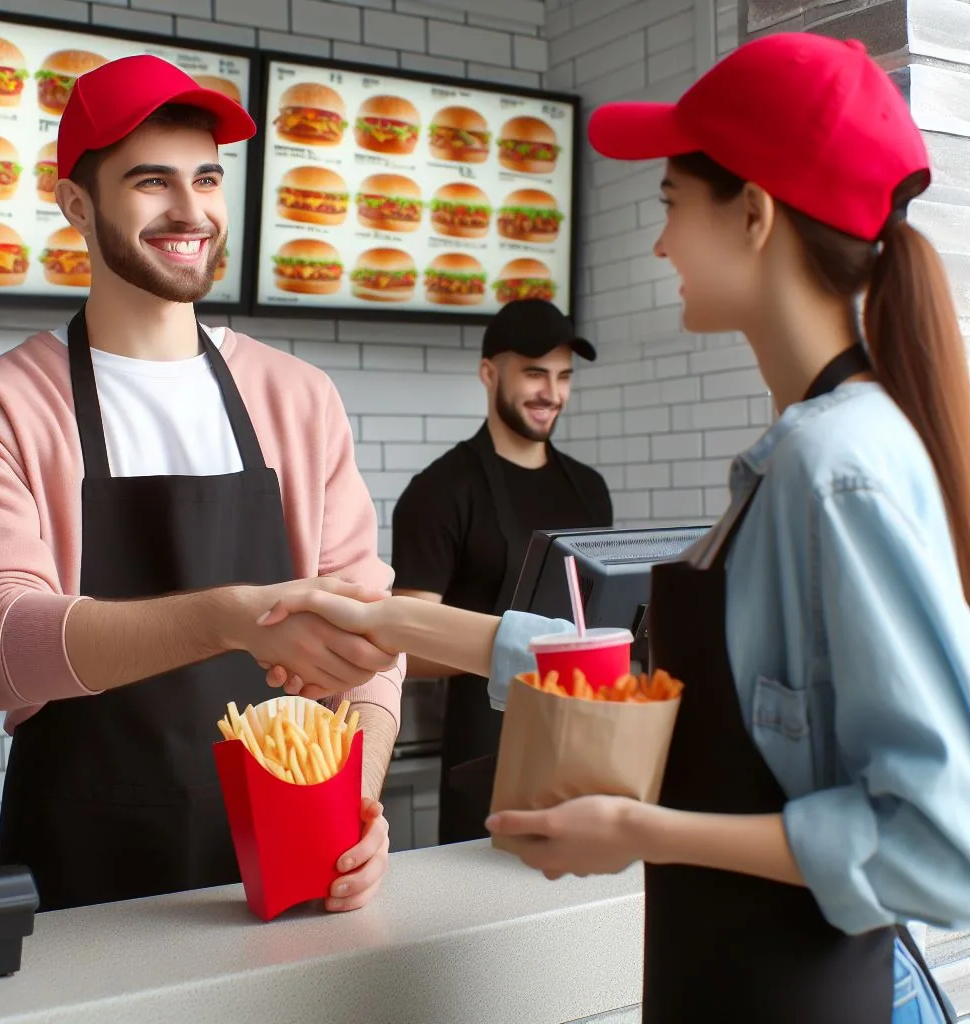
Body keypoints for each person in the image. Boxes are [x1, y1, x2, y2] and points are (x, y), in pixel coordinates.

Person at [257, 33, 970, 1023]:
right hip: (731, 981)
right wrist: (378, 619)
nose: (660, 244)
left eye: (674, 206)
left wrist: (645, 828)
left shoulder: (836, 464)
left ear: (753, 215)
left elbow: (938, 840)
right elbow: (634, 676)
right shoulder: (800, 453)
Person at [0, 55, 403, 914]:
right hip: (87, 886)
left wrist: (355, 798)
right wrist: (225, 617)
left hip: (298, 869)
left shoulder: (297, 398)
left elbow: (370, 641)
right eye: (151, 182)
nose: (191, 212)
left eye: (206, 179)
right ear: (77, 205)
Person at [390, 299, 612, 844]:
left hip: (580, 743)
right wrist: (519, 642)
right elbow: (406, 643)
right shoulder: (440, 491)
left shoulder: (590, 489)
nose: (552, 394)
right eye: (535, 373)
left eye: (564, 377)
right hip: (486, 749)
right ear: (489, 373)